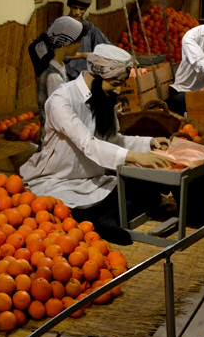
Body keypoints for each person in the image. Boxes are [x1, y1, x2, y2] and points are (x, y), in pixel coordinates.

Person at [20, 44, 173, 245]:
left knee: (150, 194)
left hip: (93, 178)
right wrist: (135, 156)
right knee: (67, 210)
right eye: (115, 83)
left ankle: (106, 219)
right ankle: (99, 220)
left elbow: (113, 139)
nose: (118, 89)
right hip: (58, 180)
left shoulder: (103, 97)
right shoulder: (61, 100)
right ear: (96, 76)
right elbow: (87, 143)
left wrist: (148, 143)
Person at [28, 16, 84, 129]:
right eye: (78, 41)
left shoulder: (57, 64)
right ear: (67, 43)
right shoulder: (53, 76)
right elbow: (61, 114)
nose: (80, 45)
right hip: (55, 138)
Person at [62, 0, 111, 81]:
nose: (77, 12)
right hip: (66, 78)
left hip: (87, 77)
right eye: (74, 8)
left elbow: (106, 45)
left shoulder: (90, 27)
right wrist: (82, 55)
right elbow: (56, 55)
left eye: (82, 9)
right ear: (69, 5)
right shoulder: (60, 27)